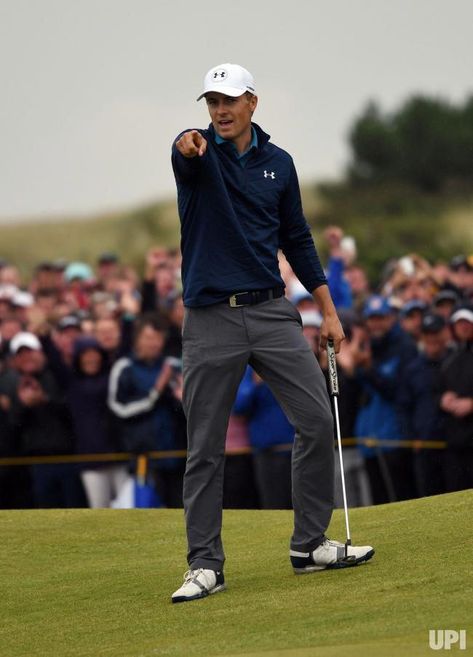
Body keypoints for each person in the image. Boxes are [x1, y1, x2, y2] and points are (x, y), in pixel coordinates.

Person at [170, 62, 374, 603]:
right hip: (210, 317)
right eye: (212, 102)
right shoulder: (196, 153)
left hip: (271, 311)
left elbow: (298, 240)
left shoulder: (278, 164)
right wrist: (188, 145)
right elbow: (184, 149)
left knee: (314, 420)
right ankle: (205, 564)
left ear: (252, 102)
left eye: (230, 101)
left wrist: (328, 311)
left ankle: (309, 545)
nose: (220, 111)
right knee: (206, 448)